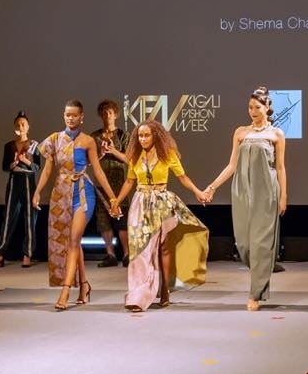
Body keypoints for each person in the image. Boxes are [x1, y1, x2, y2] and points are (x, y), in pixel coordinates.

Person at [111, 120, 210, 311]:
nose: (142, 139)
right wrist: (117, 201)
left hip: (162, 203)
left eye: (146, 135)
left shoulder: (167, 154)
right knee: (140, 251)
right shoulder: (135, 156)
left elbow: (182, 177)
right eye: (140, 136)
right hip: (140, 204)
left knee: (164, 249)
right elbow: (129, 182)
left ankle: (165, 290)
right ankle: (138, 296)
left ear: (155, 136)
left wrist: (197, 191)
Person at [32, 100, 122, 310]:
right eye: (67, 115)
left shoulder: (88, 141)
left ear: (81, 117)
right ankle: (84, 286)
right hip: (61, 193)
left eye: (74, 115)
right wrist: (37, 192)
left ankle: (65, 291)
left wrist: (112, 198)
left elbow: (97, 171)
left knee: (73, 240)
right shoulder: (55, 139)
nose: (70, 118)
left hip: (83, 192)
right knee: (72, 241)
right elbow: (47, 169)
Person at [204, 86, 288, 311]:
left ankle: (255, 294)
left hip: (267, 193)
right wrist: (212, 186)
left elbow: (280, 167)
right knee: (244, 244)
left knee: (261, 245)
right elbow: (232, 165)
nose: (253, 111)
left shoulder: (276, 134)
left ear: (267, 107)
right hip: (242, 191)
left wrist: (283, 196)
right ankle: (264, 268)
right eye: (250, 107)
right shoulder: (240, 132)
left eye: (257, 107)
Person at [0, 111, 41, 268]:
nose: (21, 127)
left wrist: (26, 161)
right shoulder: (9, 145)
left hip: (28, 180)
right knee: (8, 217)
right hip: (14, 180)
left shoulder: (34, 145)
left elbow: (37, 167)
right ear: (15, 127)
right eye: (18, 125)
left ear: (28, 126)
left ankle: (27, 254)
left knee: (30, 218)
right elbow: (4, 167)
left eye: (23, 124)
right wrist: (12, 164)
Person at [91, 100, 130, 268]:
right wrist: (101, 153)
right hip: (101, 184)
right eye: (105, 113)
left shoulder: (123, 135)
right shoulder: (94, 136)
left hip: (120, 184)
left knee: (122, 220)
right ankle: (110, 254)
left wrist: (114, 151)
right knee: (103, 220)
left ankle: (127, 254)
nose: (107, 116)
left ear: (116, 115)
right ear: (101, 115)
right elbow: (90, 161)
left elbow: (130, 159)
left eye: (110, 113)